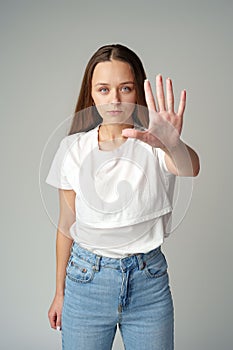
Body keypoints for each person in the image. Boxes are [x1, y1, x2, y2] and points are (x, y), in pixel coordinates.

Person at [46, 44, 200, 350]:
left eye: (125, 88)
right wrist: (60, 292)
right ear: (91, 94)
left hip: (148, 282)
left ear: (138, 92)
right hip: (86, 280)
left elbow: (189, 168)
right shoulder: (73, 149)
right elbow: (66, 225)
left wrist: (172, 143)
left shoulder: (154, 144)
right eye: (104, 89)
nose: (114, 100)